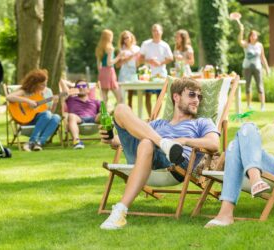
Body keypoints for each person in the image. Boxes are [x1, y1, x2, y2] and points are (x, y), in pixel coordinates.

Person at [99, 77, 220, 230]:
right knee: (121, 108)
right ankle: (163, 143)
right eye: (191, 94)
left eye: (199, 96)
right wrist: (110, 139)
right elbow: (121, 141)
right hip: (143, 154)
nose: (197, 100)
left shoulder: (202, 122)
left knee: (146, 142)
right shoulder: (158, 123)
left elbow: (214, 144)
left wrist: (183, 140)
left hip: (173, 162)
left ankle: (120, 210)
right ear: (176, 97)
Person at [205, 88, 274, 228]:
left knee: (243, 133)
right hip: (257, 162)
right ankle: (254, 180)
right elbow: (246, 143)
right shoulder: (270, 127)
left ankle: (226, 212)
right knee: (243, 134)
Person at [6, 69, 61, 152]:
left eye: (45, 84)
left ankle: (38, 143)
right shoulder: (25, 91)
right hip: (26, 118)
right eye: (42, 85)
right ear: (34, 84)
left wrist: (55, 103)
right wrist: (28, 101)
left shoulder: (48, 91)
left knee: (56, 117)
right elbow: (9, 97)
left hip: (43, 119)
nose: (44, 86)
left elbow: (50, 113)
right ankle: (32, 141)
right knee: (46, 114)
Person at [139, 24, 173, 117]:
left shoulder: (165, 45)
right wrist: (149, 60)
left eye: (158, 30)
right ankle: (150, 117)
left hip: (161, 74)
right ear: (152, 32)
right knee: (147, 96)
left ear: (161, 32)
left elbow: (170, 58)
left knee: (159, 98)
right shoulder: (146, 44)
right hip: (148, 75)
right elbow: (140, 58)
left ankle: (155, 118)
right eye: (154, 30)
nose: (156, 32)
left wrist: (161, 62)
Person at [59, 79, 100, 149]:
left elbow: (101, 112)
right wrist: (70, 88)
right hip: (78, 119)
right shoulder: (70, 99)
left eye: (84, 86)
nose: (81, 87)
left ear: (88, 90)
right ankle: (77, 141)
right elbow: (62, 83)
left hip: (94, 119)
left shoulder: (95, 101)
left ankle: (111, 138)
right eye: (78, 86)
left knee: (104, 114)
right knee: (71, 115)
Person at [238, 22, 270, 111]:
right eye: (251, 35)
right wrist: (241, 30)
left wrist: (267, 68)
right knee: (248, 87)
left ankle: (263, 106)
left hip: (258, 68)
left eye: (254, 35)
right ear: (249, 37)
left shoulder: (259, 45)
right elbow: (240, 41)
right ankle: (248, 105)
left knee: (260, 86)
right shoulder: (246, 44)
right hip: (247, 68)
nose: (253, 37)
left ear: (257, 37)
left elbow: (263, 57)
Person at [96, 29, 123, 106]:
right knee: (120, 98)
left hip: (102, 72)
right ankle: (117, 114)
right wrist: (118, 57)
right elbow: (109, 63)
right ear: (109, 37)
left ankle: (103, 115)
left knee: (104, 99)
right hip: (109, 72)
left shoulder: (99, 48)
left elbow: (98, 64)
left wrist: (101, 73)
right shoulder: (110, 48)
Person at [116, 30, 140, 108]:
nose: (126, 40)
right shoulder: (121, 50)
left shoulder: (137, 48)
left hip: (133, 72)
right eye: (124, 38)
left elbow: (138, 62)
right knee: (122, 95)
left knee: (131, 95)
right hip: (124, 72)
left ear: (131, 37)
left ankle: (130, 112)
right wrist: (129, 57)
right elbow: (118, 64)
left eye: (127, 37)